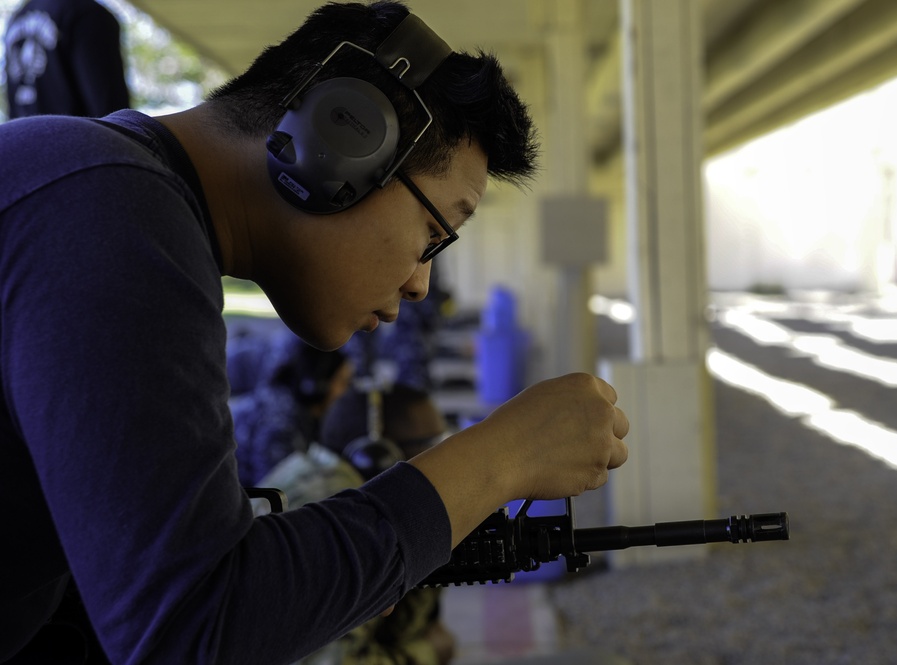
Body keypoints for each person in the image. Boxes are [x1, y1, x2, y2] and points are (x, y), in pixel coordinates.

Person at [0, 2, 630, 663]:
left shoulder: (94, 193)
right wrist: (502, 456)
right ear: (343, 136)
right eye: (433, 235)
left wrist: (332, 570)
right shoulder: (113, 221)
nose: (420, 283)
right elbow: (192, 633)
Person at [260, 384, 457, 665]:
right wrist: (428, 654)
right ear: (384, 456)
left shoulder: (316, 477)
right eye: (435, 442)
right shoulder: (342, 523)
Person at [231, 330, 354, 487]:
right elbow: (279, 494)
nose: (346, 392)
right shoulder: (280, 423)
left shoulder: (298, 413)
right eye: (343, 383)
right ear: (319, 386)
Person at [3, 0, 130, 119]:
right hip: (79, 139)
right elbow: (111, 110)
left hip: (23, 139)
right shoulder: (87, 13)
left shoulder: (16, 19)